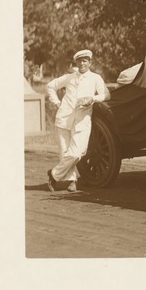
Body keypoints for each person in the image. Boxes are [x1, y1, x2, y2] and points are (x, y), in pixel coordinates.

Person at [45, 48, 109, 192]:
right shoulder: (70, 77)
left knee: (77, 152)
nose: (82, 64)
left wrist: (93, 98)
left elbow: (106, 94)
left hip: (83, 120)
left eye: (85, 61)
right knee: (65, 151)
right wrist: (57, 102)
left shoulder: (95, 78)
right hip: (64, 118)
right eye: (79, 61)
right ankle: (72, 181)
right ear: (76, 62)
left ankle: (54, 174)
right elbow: (50, 86)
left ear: (90, 62)